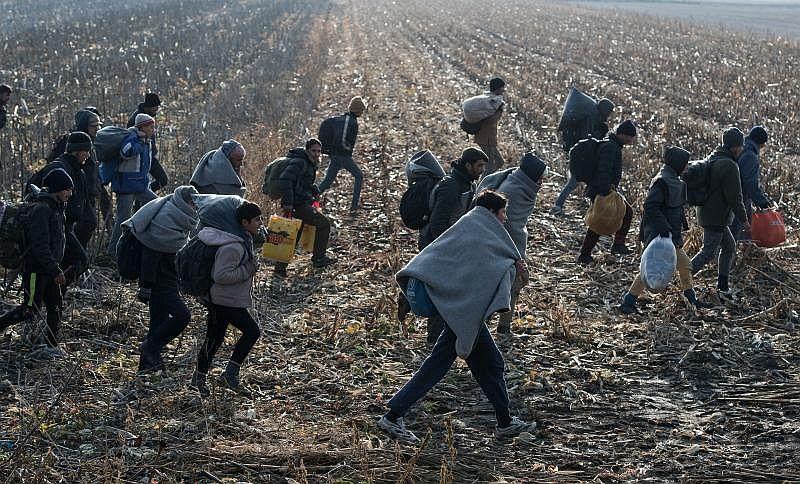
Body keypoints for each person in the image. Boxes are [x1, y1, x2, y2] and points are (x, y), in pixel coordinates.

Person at [379, 190, 535, 444]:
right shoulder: (477, 231)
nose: (505, 218)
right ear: (491, 213)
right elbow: (478, 269)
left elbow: (476, 271)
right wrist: (513, 266)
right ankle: (393, 415)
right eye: (503, 213)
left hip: (464, 311)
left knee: (491, 364)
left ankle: (505, 421)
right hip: (461, 312)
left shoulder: (474, 230)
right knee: (438, 366)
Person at [620, 147, 710, 314]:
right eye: (684, 164)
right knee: (652, 268)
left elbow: (675, 207)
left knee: (682, 266)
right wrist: (665, 229)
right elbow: (650, 206)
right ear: (677, 165)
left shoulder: (673, 180)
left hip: (669, 234)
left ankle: (691, 300)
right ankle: (629, 301)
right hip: (659, 235)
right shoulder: (662, 182)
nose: (687, 168)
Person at [123, 186, 200, 372]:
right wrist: (146, 286)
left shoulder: (181, 218)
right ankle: (150, 348)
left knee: (157, 322)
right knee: (183, 316)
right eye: (192, 203)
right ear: (184, 202)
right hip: (159, 281)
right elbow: (151, 252)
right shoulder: (166, 218)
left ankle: (147, 368)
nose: (195, 207)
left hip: (169, 279)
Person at [190, 200, 262, 396]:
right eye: (256, 220)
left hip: (224, 299)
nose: (260, 223)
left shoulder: (242, 239)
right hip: (224, 300)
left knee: (214, 339)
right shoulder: (233, 246)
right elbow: (221, 276)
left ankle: (199, 380)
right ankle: (228, 375)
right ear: (244, 222)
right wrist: (249, 268)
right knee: (252, 331)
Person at [0, 169, 73, 357]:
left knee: (56, 306)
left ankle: (51, 346)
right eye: (67, 189)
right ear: (56, 188)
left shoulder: (57, 208)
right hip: (35, 271)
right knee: (29, 310)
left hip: (48, 270)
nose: (69, 193)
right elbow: (40, 246)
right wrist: (55, 269)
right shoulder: (42, 210)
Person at [418, 147, 488, 343]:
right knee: (440, 290)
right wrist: (448, 247)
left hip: (451, 245)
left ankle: (443, 334)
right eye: (479, 165)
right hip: (436, 245)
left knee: (447, 290)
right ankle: (434, 337)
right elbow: (437, 222)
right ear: (468, 165)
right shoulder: (451, 186)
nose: (482, 169)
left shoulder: (468, 184)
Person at [476, 153, 546, 333]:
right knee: (512, 281)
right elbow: (508, 226)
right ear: (530, 177)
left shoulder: (521, 185)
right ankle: (495, 323)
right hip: (501, 246)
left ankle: (502, 324)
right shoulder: (513, 192)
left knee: (511, 283)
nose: (541, 183)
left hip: (509, 244)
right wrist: (517, 257)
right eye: (539, 179)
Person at [28, 131, 93, 288]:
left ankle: (56, 289)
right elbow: (34, 189)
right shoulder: (58, 167)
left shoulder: (78, 170)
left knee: (80, 261)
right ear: (77, 151)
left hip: (67, 228)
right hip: (56, 227)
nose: (88, 155)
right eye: (86, 151)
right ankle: (54, 288)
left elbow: (83, 200)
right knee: (78, 260)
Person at [690, 127, 749, 297]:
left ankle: (723, 285)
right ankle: (681, 280)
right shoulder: (730, 165)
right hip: (716, 216)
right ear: (735, 147)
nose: (742, 149)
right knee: (707, 251)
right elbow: (735, 198)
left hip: (708, 213)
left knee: (729, 246)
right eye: (741, 146)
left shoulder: (714, 157)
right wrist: (744, 220)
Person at [577, 120, 638, 264]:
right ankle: (587, 254)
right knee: (602, 220)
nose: (631, 140)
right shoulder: (611, 147)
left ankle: (615, 245)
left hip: (604, 189)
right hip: (602, 190)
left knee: (607, 218)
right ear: (621, 134)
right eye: (629, 136)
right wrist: (605, 191)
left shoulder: (613, 144)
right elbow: (603, 170)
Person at [43, 108, 104, 249]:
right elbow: (58, 168)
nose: (97, 129)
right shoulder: (70, 142)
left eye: (98, 126)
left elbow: (92, 168)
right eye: (93, 126)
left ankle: (75, 259)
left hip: (86, 192)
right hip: (71, 194)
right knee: (69, 228)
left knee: (89, 223)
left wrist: (97, 186)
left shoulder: (90, 142)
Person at [275, 138, 336, 277]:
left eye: (319, 151)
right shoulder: (299, 162)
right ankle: (318, 259)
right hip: (297, 204)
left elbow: (302, 182)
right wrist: (288, 203)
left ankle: (279, 269)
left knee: (292, 235)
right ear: (307, 150)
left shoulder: (309, 162)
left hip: (300, 202)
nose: (316, 154)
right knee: (324, 224)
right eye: (313, 151)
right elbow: (285, 179)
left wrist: (314, 189)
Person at [551, 98, 615, 215]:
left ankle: (590, 210)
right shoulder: (591, 119)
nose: (610, 115)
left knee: (580, 183)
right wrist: (600, 134)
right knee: (573, 182)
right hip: (582, 158)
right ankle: (557, 206)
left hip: (587, 157)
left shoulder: (597, 118)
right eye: (609, 112)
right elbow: (587, 138)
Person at [107, 114, 159, 256]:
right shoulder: (131, 137)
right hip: (125, 187)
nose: (153, 129)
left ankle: (144, 245)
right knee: (123, 219)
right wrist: (140, 143)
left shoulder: (146, 140)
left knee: (157, 205)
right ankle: (112, 252)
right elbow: (126, 152)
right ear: (141, 126)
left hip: (140, 185)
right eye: (150, 126)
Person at [318, 96, 366, 214]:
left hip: (336, 154)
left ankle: (309, 198)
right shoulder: (350, 121)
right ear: (358, 110)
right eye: (362, 110)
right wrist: (347, 149)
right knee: (359, 176)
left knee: (327, 181)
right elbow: (342, 138)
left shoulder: (346, 119)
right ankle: (354, 207)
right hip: (342, 155)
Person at [731, 125, 772, 240]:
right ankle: (738, 254)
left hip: (729, 196)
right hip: (740, 198)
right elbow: (750, 184)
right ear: (762, 143)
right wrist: (763, 202)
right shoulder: (751, 156)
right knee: (738, 230)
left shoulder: (740, 148)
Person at [126, 93, 169, 192]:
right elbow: (131, 139)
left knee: (162, 180)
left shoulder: (148, 116)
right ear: (148, 107)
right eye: (155, 107)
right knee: (161, 180)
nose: (157, 110)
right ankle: (141, 199)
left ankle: (143, 195)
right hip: (139, 157)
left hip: (149, 155)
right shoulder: (137, 119)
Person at [475, 78, 506, 176]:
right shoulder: (492, 102)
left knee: (499, 162)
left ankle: (486, 181)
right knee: (489, 167)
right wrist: (499, 111)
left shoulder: (491, 99)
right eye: (502, 88)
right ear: (497, 89)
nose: (503, 90)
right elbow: (490, 120)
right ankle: (482, 186)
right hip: (486, 139)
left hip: (488, 138)